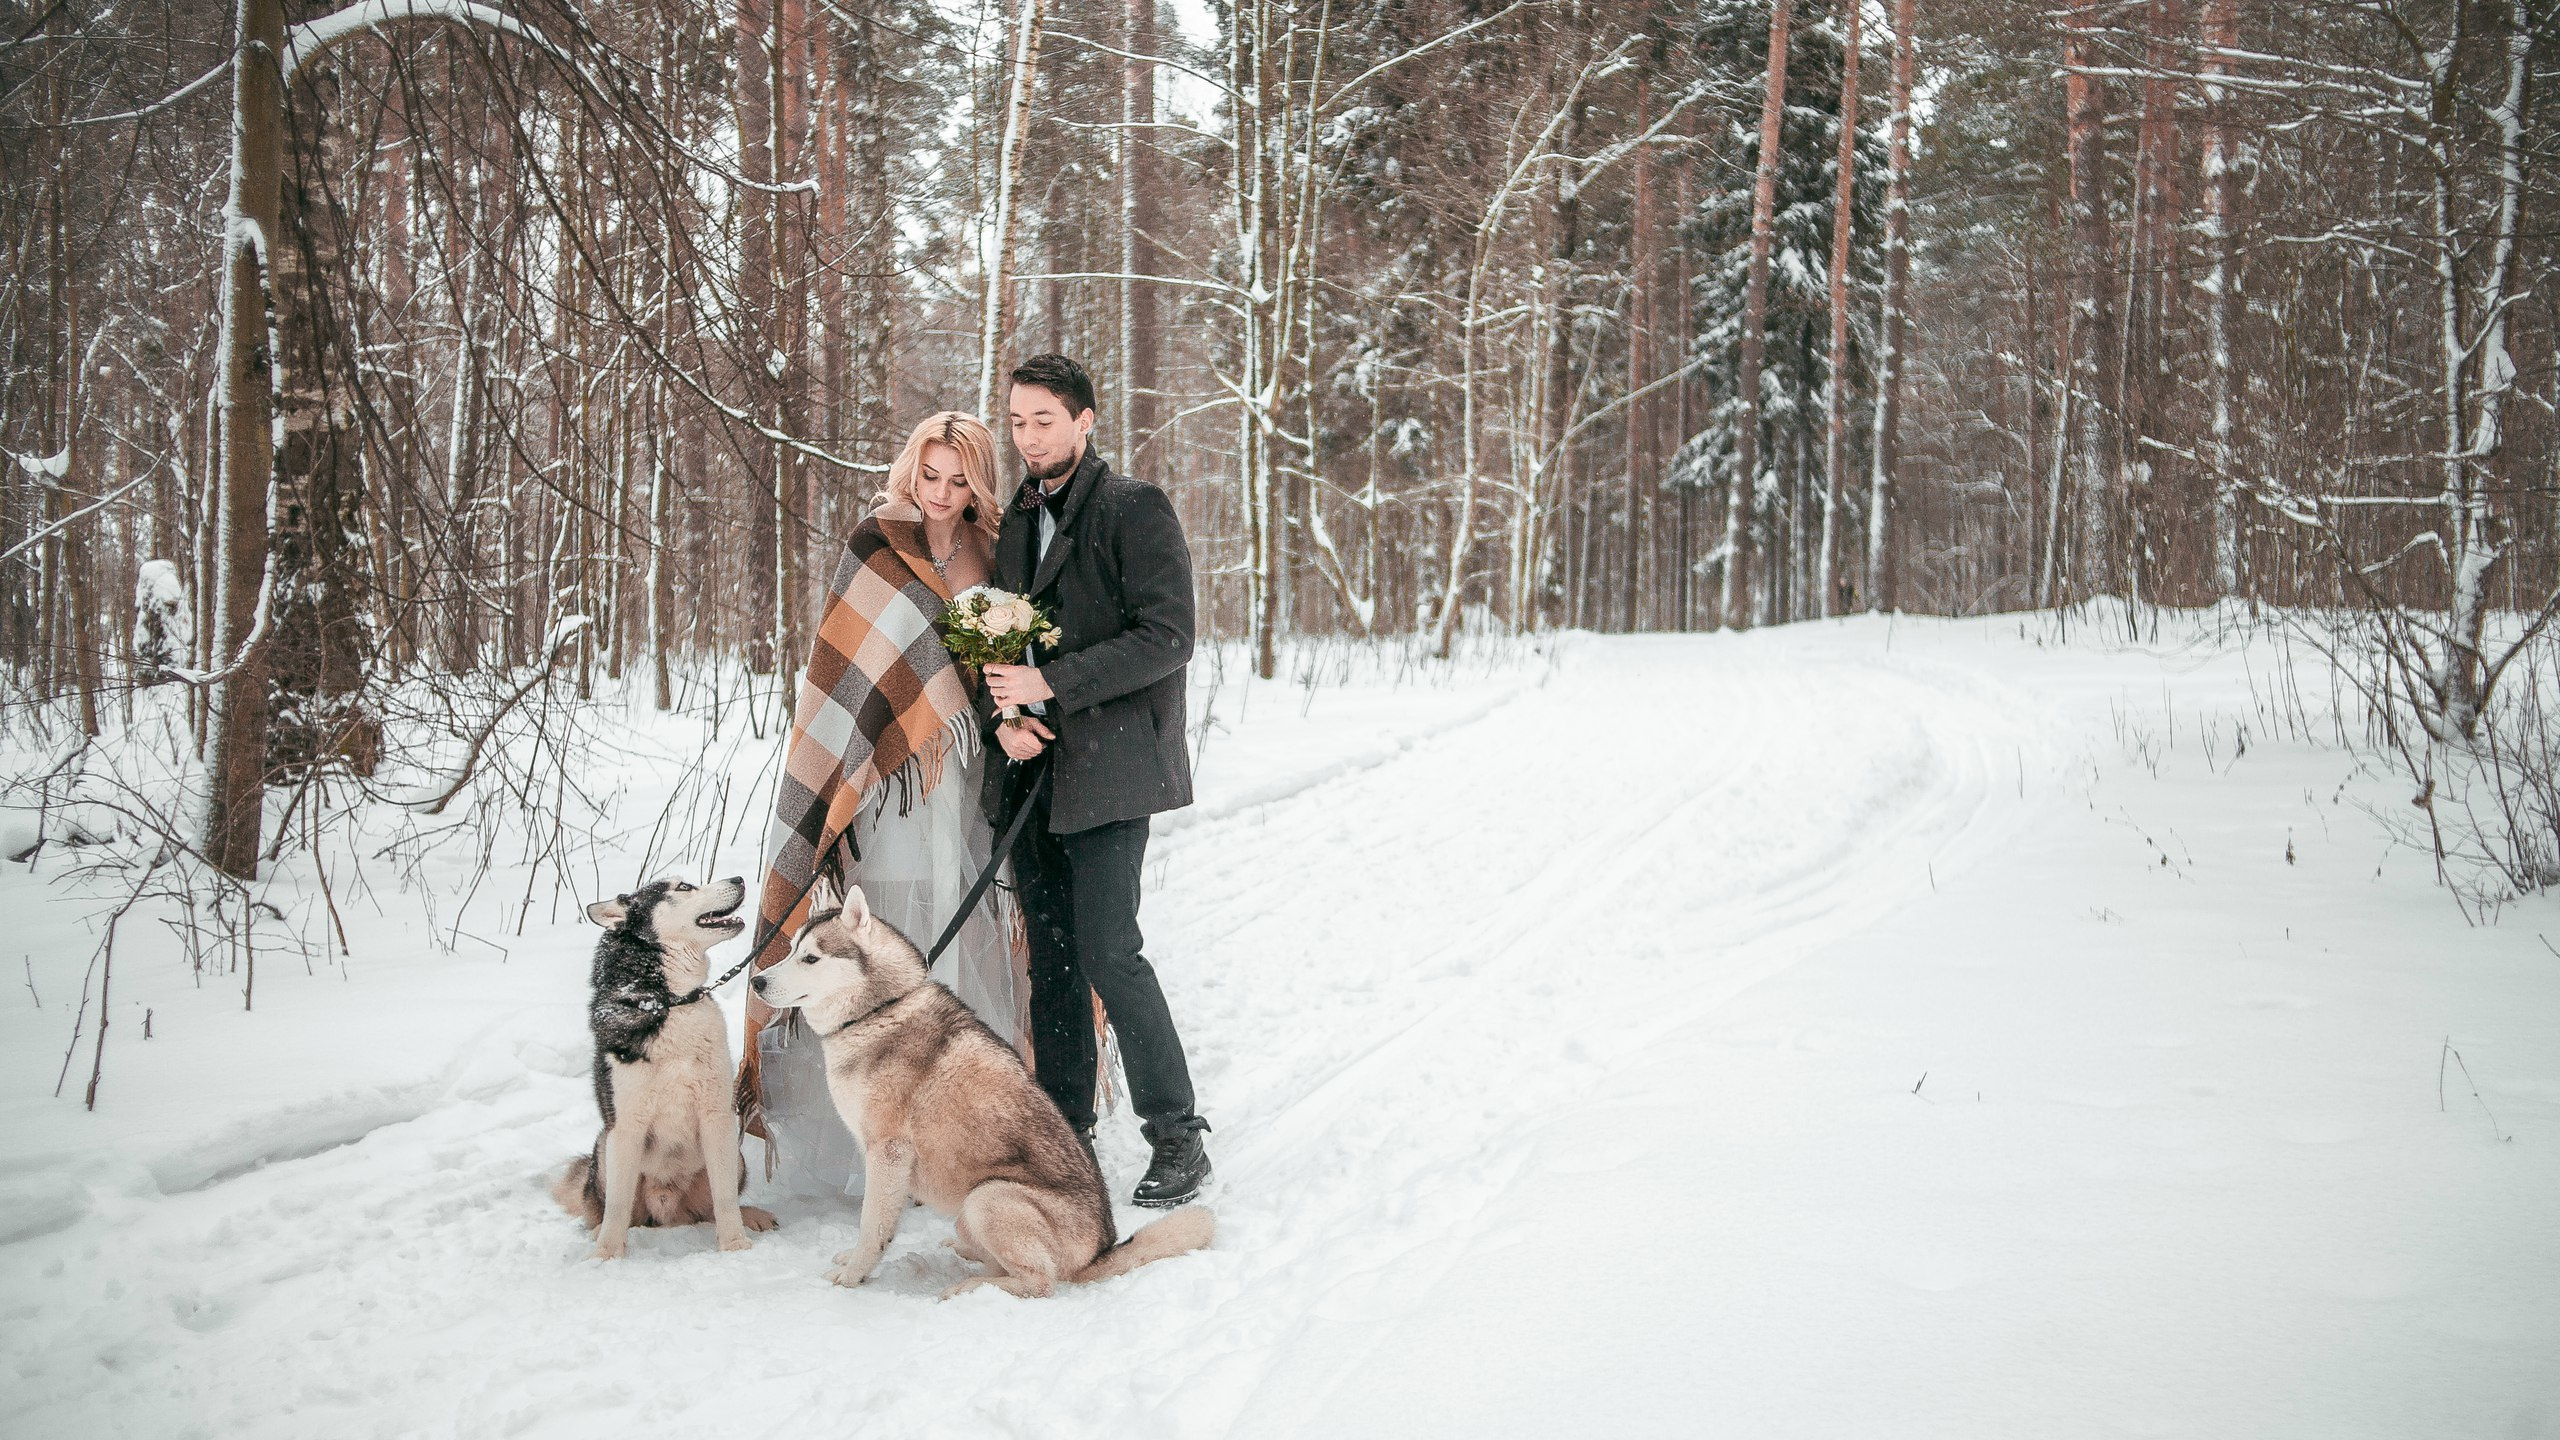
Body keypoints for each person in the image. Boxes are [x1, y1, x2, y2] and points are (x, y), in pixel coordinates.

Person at [741, 410, 1028, 1198]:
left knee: (964, 924)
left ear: (978, 482)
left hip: (963, 776)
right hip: (888, 782)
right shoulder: (876, 544)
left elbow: (1003, 658)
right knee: (887, 928)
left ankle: (959, 1136)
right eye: (930, 475)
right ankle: (869, 1140)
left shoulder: (994, 550)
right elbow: (846, 677)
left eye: (958, 478)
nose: (941, 492)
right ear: (912, 471)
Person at [980, 353, 1212, 1208]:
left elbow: (1168, 636)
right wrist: (1007, 717)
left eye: (1044, 419)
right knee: (1052, 962)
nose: (1029, 435)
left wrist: (1055, 685)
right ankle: (1064, 1134)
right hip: (1036, 774)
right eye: (1017, 421)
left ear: (1084, 421)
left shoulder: (1133, 509)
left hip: (1112, 770)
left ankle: (1177, 1135)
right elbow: (1004, 648)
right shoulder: (1015, 519)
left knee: (1111, 949)